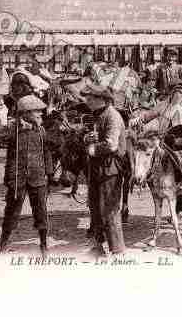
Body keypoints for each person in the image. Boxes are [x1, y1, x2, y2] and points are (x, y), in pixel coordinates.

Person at [0, 95, 53, 256]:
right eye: (36, 111)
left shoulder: (41, 129)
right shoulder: (12, 129)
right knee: (12, 213)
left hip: (38, 178)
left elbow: (46, 152)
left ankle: (44, 246)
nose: (41, 113)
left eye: (40, 110)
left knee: (41, 213)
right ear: (25, 113)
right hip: (17, 179)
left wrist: (50, 174)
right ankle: (3, 246)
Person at [129, 79, 182, 218]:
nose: (179, 94)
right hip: (165, 142)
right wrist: (137, 120)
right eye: (176, 91)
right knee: (150, 158)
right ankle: (145, 179)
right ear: (171, 92)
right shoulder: (163, 105)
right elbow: (147, 116)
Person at [80, 84, 127, 257]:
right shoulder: (97, 115)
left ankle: (117, 250)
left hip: (110, 170)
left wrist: (93, 149)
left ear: (102, 99)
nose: (88, 101)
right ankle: (98, 245)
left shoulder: (113, 116)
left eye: (91, 98)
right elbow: (93, 135)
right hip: (97, 169)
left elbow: (112, 144)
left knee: (109, 209)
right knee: (95, 208)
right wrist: (87, 137)